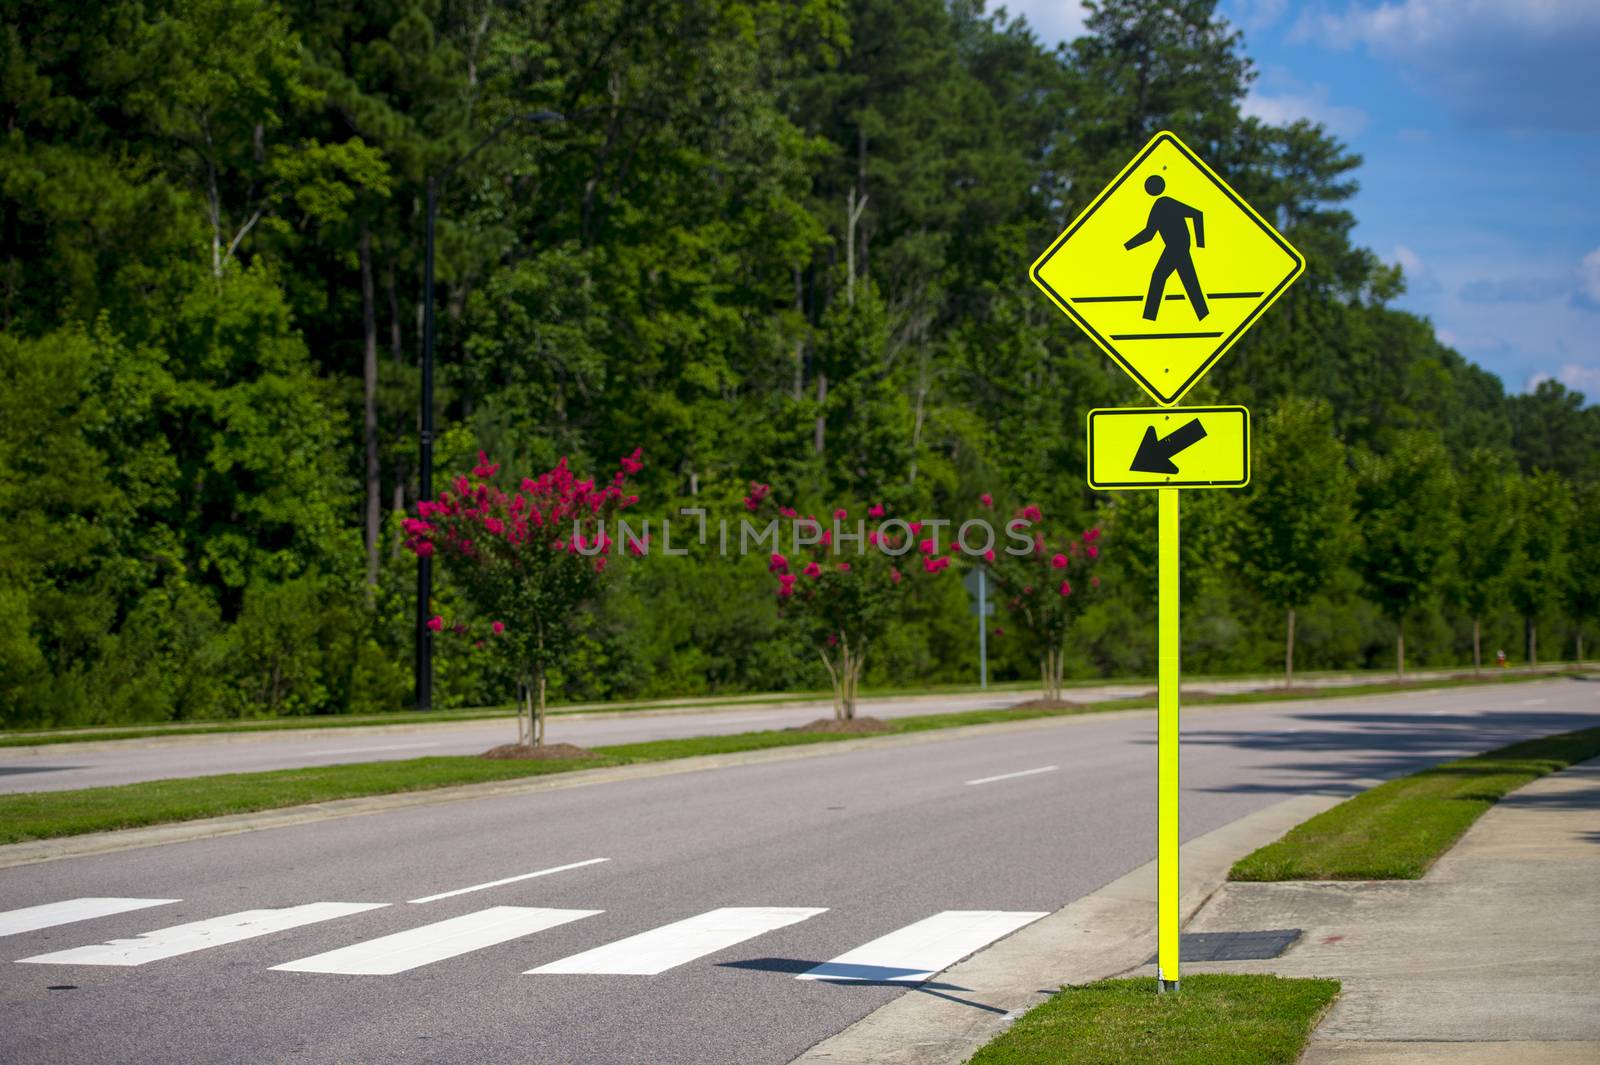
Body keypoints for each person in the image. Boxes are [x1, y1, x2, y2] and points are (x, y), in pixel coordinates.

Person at [1124, 174, 1208, 321]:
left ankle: (1149, 317)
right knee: (1189, 281)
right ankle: (1203, 315)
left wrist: (1200, 243)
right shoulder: (1159, 205)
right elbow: (1149, 234)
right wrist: (1127, 246)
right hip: (1176, 246)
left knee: (1158, 277)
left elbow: (1197, 214)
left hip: (1177, 246)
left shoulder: (1165, 203)